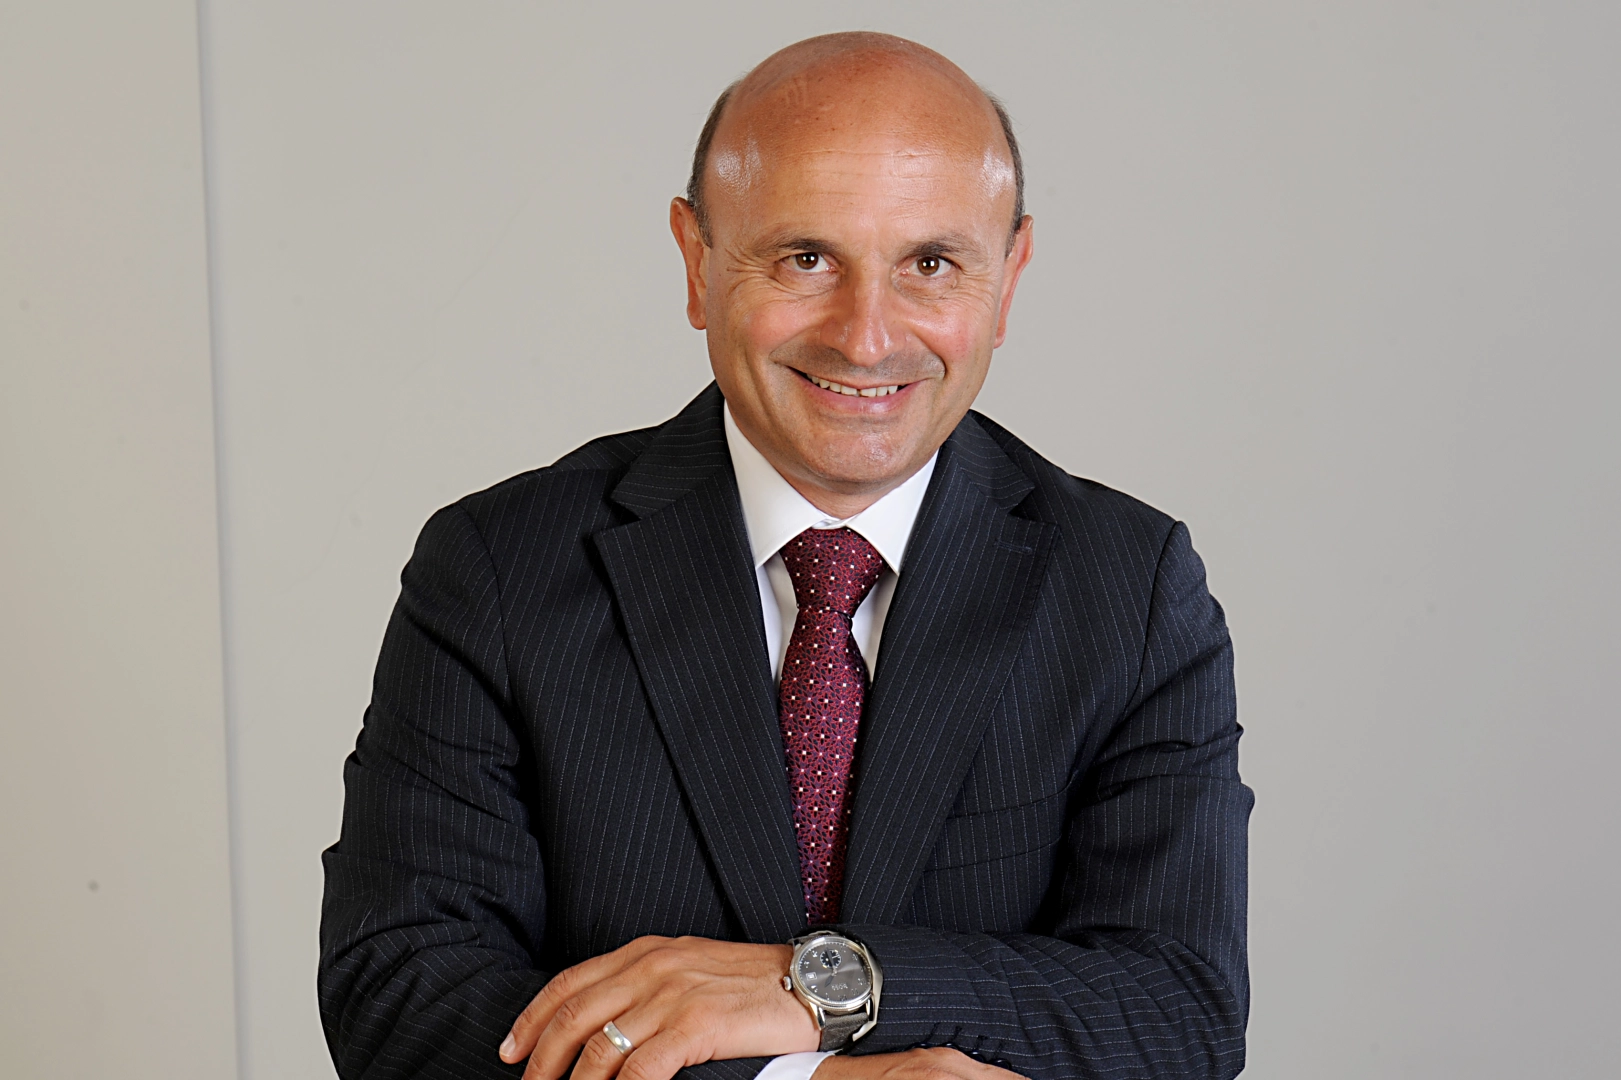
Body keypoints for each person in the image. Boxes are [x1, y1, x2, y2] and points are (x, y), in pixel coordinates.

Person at [320, 31, 1251, 1080]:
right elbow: (402, 994)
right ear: (696, 261)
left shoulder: (1130, 589)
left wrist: (814, 986)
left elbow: (1179, 1010)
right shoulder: (497, 568)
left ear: (1008, 277)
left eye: (931, 264)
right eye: (806, 259)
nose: (865, 338)